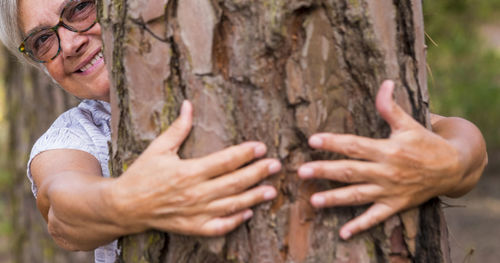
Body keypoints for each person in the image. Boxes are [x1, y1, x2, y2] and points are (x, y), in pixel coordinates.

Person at [0, 0, 488, 262]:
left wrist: (450, 164)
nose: (68, 43)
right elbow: (62, 206)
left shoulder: (218, 62)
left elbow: (452, 136)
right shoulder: (77, 133)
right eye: (43, 39)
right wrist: (128, 202)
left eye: (80, 8)